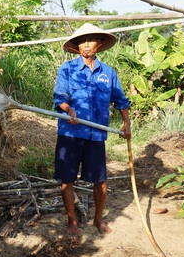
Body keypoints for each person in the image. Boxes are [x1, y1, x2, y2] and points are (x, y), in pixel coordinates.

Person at [53, 23, 131, 235]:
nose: (86, 45)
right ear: (77, 47)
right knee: (66, 179)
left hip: (96, 134)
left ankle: (98, 220)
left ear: (100, 43)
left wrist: (126, 124)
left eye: (90, 41)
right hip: (70, 133)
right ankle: (72, 222)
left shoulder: (108, 73)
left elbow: (120, 101)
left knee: (100, 180)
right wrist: (69, 110)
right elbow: (60, 97)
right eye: (81, 42)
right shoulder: (67, 70)